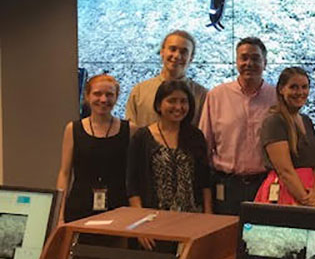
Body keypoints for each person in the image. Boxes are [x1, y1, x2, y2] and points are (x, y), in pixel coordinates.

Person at [198, 37, 277, 215]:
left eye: (255, 58)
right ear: (236, 61)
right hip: (226, 185)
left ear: (265, 62)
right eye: (244, 58)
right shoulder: (217, 95)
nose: (249, 63)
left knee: (261, 240)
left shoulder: (276, 98)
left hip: (264, 184)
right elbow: (205, 145)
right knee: (226, 238)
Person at [127, 79, 212, 220]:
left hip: (192, 218)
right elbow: (132, 184)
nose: (178, 107)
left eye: (183, 101)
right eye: (172, 101)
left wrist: (208, 215)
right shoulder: (142, 138)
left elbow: (205, 180)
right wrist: (140, 220)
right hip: (153, 219)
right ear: (159, 105)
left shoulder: (195, 136)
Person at [56, 74, 133, 223]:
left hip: (118, 208)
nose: (103, 99)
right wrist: (60, 214)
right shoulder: (73, 129)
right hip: (79, 207)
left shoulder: (130, 130)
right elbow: (64, 174)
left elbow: (135, 176)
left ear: (117, 97)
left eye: (109, 94)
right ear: (87, 96)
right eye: (97, 94)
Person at [260, 67, 315, 206]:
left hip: (311, 194)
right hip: (287, 193)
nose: (300, 92)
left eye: (304, 87)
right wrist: (306, 200)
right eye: (293, 87)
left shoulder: (307, 121)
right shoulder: (274, 122)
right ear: (281, 89)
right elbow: (285, 171)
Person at [126, 30, 207, 127]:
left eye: (183, 52)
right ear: (162, 52)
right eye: (172, 49)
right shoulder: (139, 92)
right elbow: (131, 133)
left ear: (191, 58)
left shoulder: (203, 96)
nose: (177, 56)